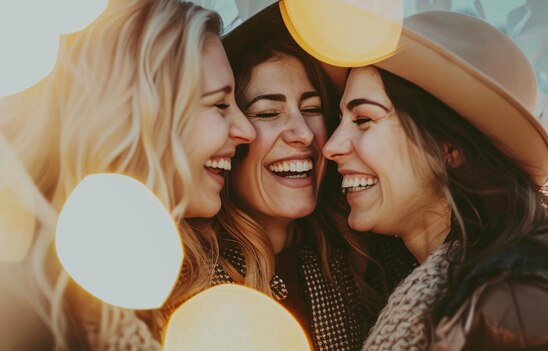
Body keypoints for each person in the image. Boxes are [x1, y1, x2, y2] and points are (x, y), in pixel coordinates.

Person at [322, 10, 548, 350]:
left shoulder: (518, 303)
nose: (331, 146)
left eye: (363, 119)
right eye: (340, 120)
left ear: (450, 147)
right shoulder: (488, 285)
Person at [142, 4, 415, 350]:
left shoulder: (367, 255)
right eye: (268, 113)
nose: (301, 133)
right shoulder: (176, 282)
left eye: (312, 109)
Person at [0, 0, 255, 349]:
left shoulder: (142, 283)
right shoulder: (30, 301)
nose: (247, 131)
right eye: (220, 104)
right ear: (144, 111)